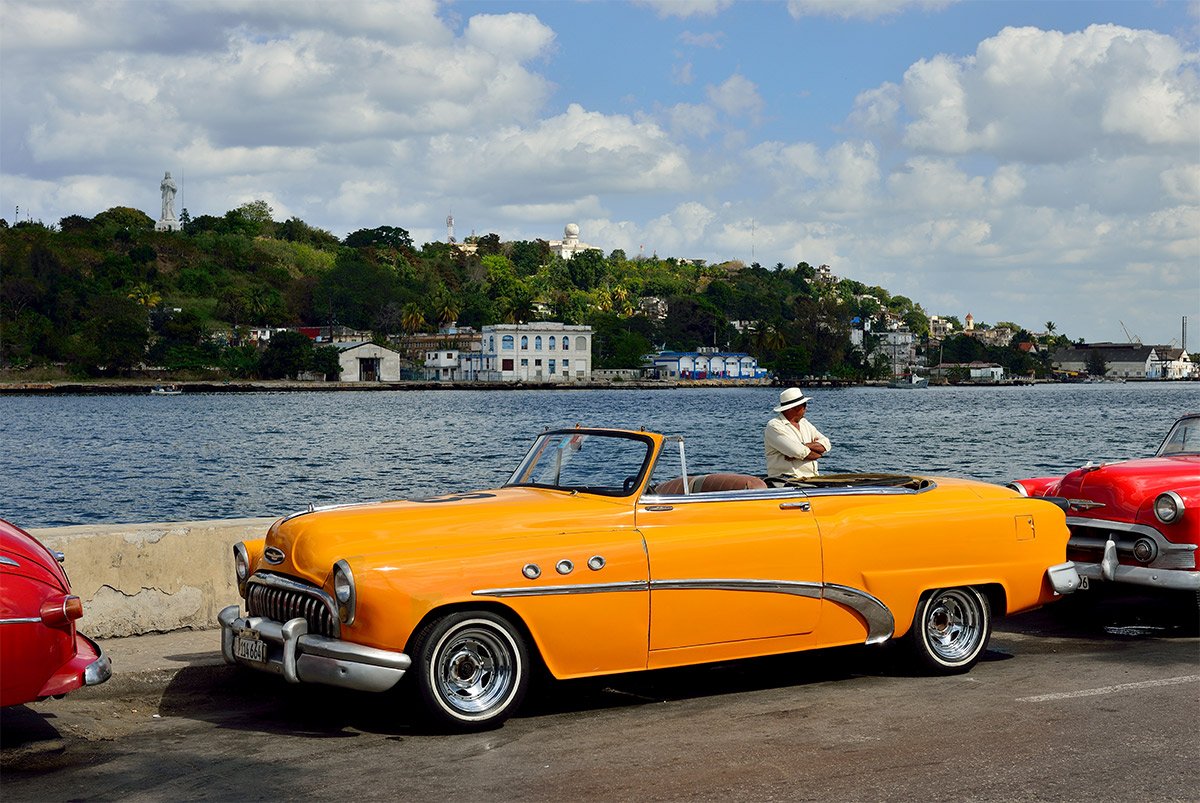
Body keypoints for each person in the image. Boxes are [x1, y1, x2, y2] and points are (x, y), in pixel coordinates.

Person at [763, 387, 831, 481]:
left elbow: (826, 444)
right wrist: (816, 452)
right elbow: (800, 452)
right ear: (796, 408)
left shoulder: (804, 423)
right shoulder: (774, 426)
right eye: (804, 405)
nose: (806, 409)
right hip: (786, 481)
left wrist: (802, 446)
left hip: (811, 479)